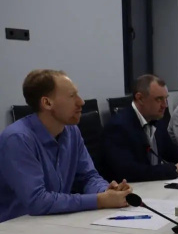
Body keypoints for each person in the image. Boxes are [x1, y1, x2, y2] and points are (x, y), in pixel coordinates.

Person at [0, 69, 130, 223]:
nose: (81, 102)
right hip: (15, 228)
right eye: (72, 96)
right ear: (47, 103)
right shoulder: (17, 139)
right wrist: (100, 200)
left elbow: (88, 177)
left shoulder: (71, 131)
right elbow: (37, 201)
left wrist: (107, 191)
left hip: (54, 222)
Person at [102, 74, 178, 182]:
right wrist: (173, 169)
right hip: (129, 188)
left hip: (152, 185)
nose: (165, 105)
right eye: (159, 99)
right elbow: (128, 172)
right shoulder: (118, 127)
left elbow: (170, 151)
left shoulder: (155, 118)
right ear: (140, 98)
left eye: (166, 99)